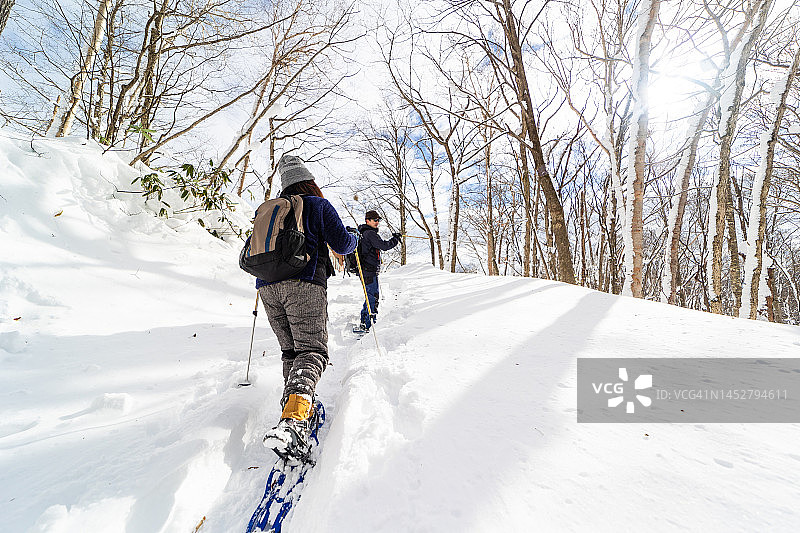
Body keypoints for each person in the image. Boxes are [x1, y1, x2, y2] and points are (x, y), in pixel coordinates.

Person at [258, 154, 357, 460]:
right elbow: (342, 245)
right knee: (312, 352)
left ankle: (293, 413)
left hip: (267, 288)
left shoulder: (270, 211)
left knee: (291, 352)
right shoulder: (317, 205)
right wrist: (353, 238)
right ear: (309, 181)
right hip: (304, 284)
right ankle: (292, 421)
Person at [350, 210, 400, 333]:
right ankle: (369, 326)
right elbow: (384, 245)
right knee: (372, 297)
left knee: (369, 296)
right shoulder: (369, 234)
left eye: (378, 220)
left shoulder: (364, 233)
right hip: (368, 271)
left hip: (366, 270)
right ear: (368, 220)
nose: (377, 222)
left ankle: (364, 322)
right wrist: (395, 239)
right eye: (375, 220)